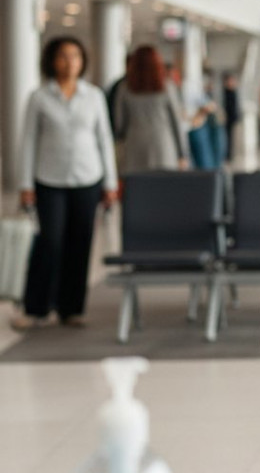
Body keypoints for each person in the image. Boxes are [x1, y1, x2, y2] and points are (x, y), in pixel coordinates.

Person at [12, 37, 118, 330]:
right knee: (49, 242)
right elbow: (29, 142)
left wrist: (110, 181)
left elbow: (104, 140)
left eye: (75, 56)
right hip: (49, 179)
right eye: (63, 56)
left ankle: (71, 307)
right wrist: (25, 184)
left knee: (80, 243)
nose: (70, 62)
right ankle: (35, 307)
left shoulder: (93, 96)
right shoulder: (39, 97)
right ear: (51, 60)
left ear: (83, 61)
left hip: (88, 177)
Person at [114, 45, 189, 174]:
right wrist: (182, 154)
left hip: (134, 146)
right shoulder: (167, 87)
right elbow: (176, 123)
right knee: (163, 189)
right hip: (163, 147)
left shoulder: (124, 88)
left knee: (137, 190)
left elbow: (119, 123)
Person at [222, 72, 242, 162]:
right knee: (227, 138)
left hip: (233, 119)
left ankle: (231, 155)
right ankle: (227, 156)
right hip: (226, 119)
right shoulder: (224, 93)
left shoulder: (234, 92)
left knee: (232, 139)